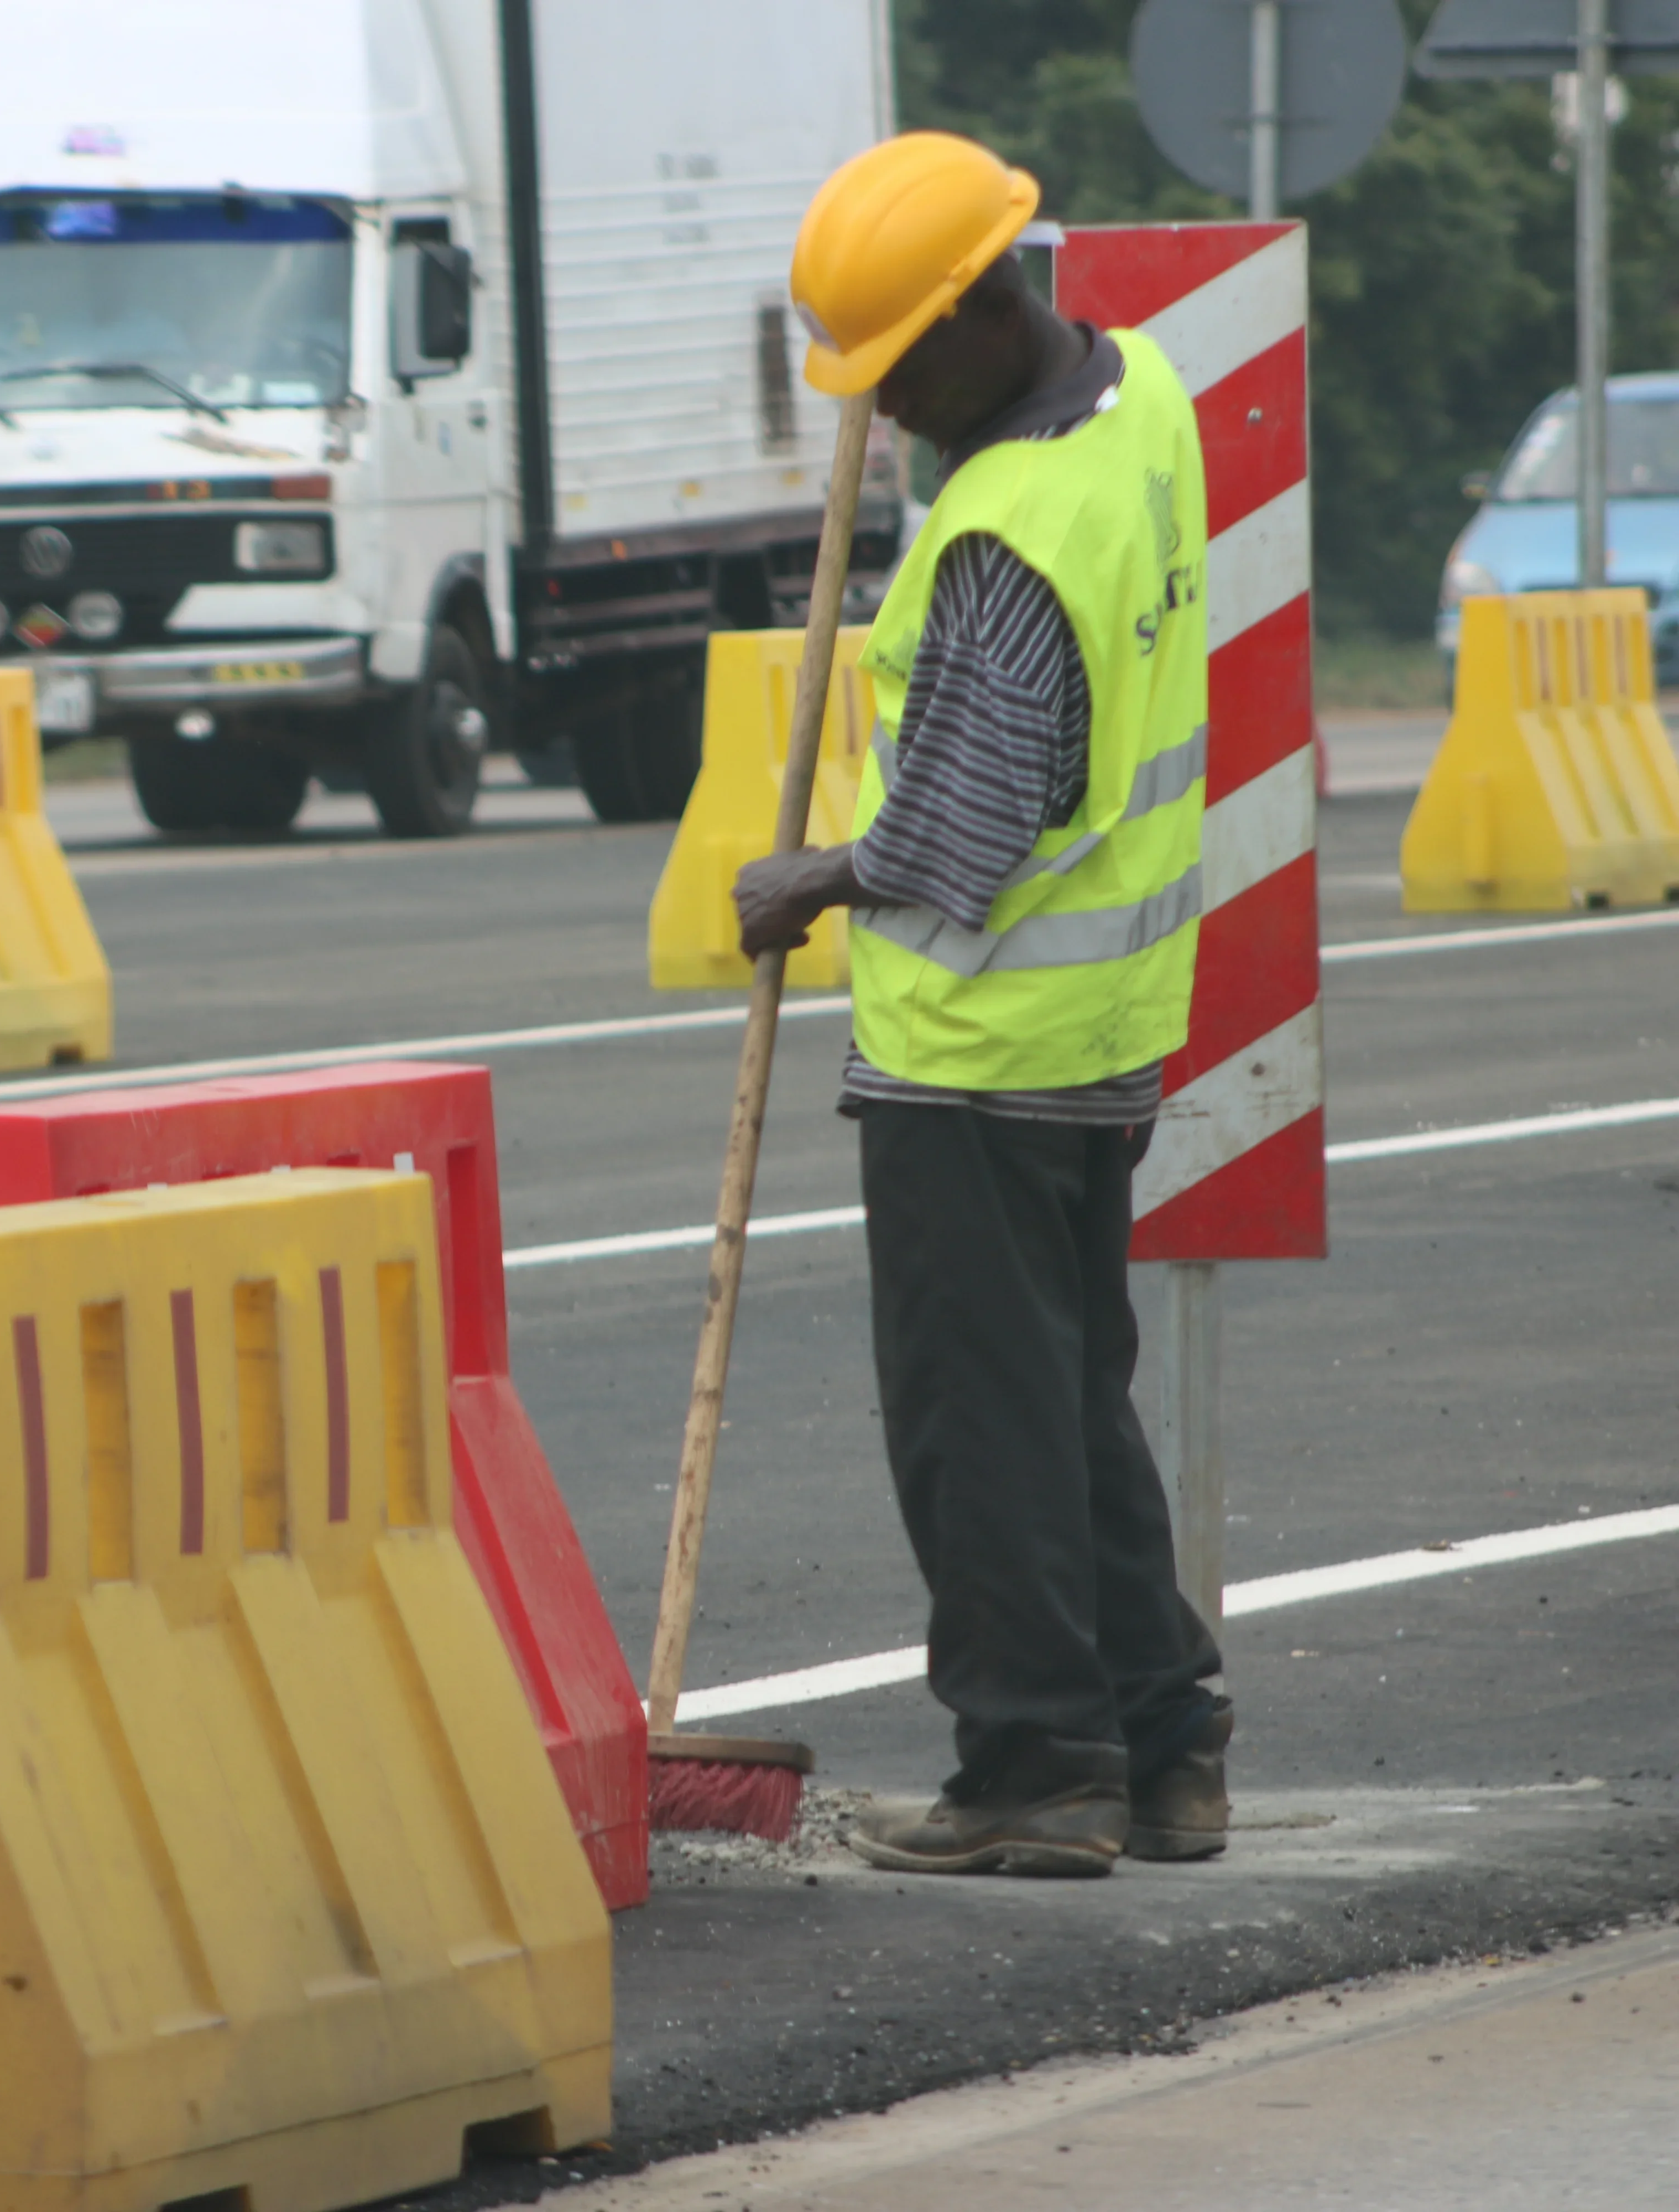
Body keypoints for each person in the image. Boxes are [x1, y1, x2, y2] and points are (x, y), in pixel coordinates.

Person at [732, 132, 1230, 1878]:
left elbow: (965, 817)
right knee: (1069, 1397)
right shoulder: (1140, 392)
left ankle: (1037, 1770)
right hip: (1102, 1026)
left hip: (983, 1050)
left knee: (983, 1426)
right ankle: (1168, 1741)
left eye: (893, 370)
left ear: (979, 310)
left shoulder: (1011, 531)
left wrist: (814, 878)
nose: (883, 408)